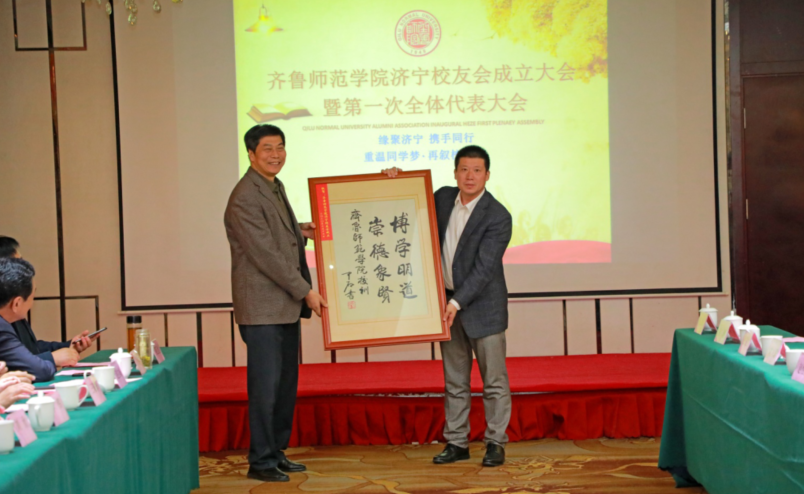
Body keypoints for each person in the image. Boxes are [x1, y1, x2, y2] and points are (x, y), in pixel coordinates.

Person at [384, 145, 513, 467]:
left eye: (477, 170)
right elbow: (409, 203)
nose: (470, 176)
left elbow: (484, 270)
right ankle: (457, 442)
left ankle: (495, 443)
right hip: (446, 306)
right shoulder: (443, 198)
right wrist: (395, 179)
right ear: (455, 173)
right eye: (464, 169)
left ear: (487, 175)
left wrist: (455, 302)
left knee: (494, 382)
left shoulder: (498, 216)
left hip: (483, 308)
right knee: (455, 381)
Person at [224, 124, 328, 483]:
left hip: (281, 306)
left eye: (280, 147)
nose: (276, 154)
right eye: (267, 148)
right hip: (262, 308)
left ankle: (276, 452)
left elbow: (276, 231)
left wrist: (301, 231)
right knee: (266, 388)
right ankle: (261, 461)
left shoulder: (273, 185)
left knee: (284, 386)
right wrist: (306, 291)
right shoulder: (244, 196)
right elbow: (265, 254)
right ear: (251, 154)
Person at [0, 237, 97, 381]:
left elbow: (29, 349)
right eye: (18, 263)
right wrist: (53, 358)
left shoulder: (10, 315)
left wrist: (67, 346)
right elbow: (37, 369)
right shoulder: (3, 325)